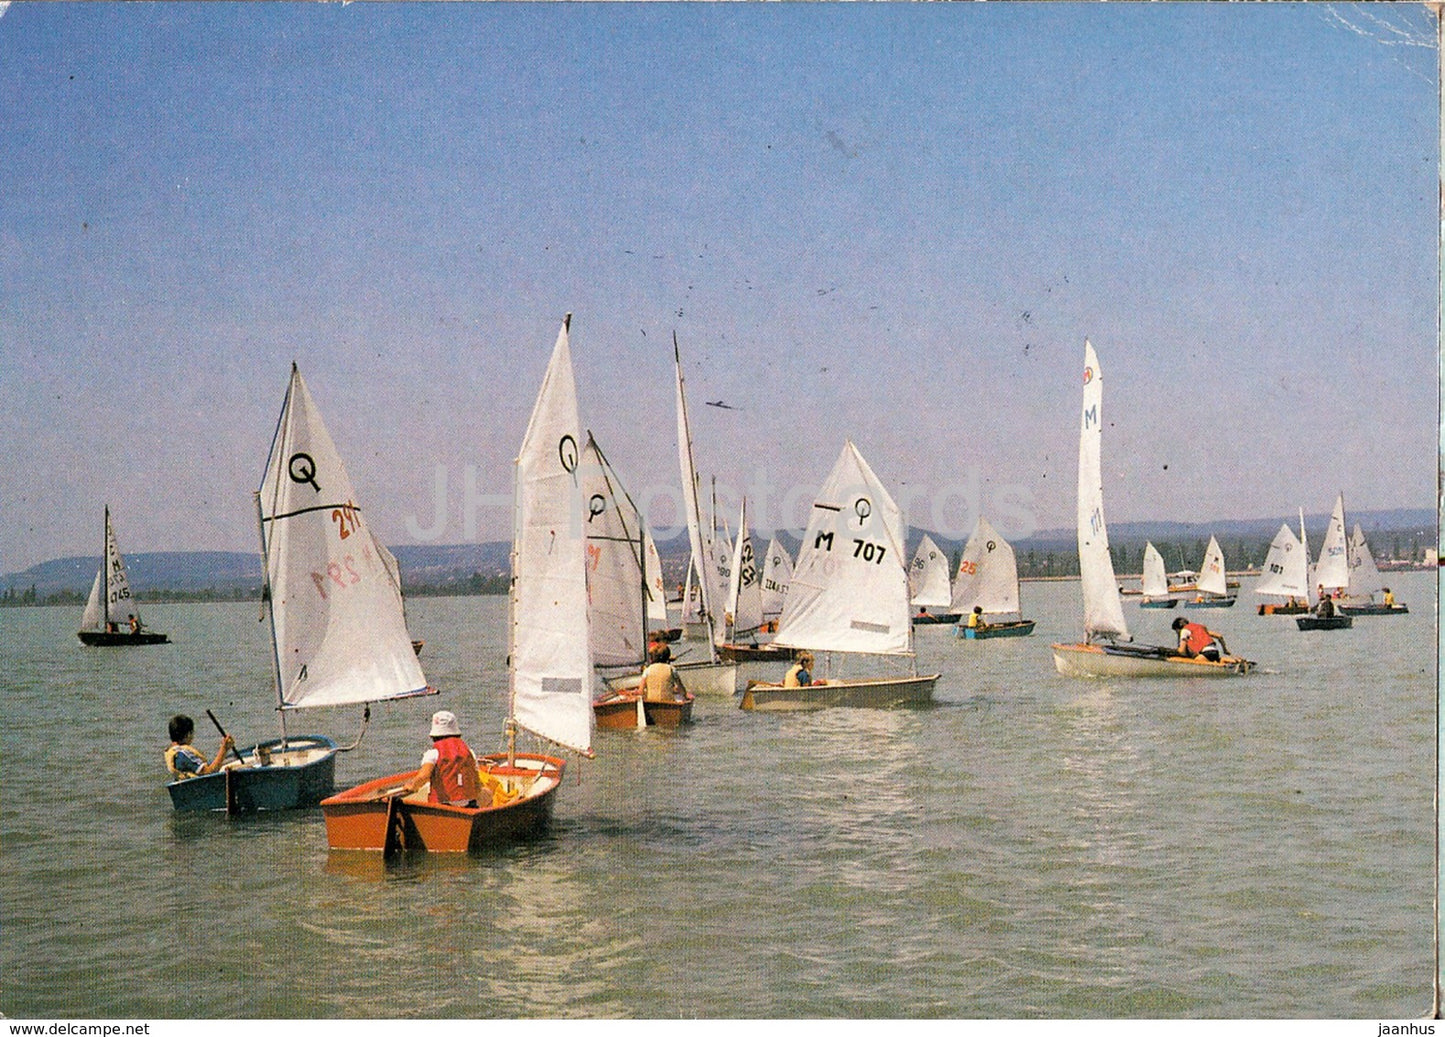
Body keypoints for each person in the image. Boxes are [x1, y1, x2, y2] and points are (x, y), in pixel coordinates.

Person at [396, 710, 482, 808]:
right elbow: (477, 784)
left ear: (434, 736)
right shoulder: (469, 752)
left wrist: (412, 786)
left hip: (443, 807)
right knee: (486, 794)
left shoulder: (432, 753)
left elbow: (423, 776)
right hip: (468, 806)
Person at [164, 714, 234, 781]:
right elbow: (209, 772)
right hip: (203, 784)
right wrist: (224, 749)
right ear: (188, 734)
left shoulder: (173, 752)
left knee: (231, 760)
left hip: (191, 783)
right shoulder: (183, 754)